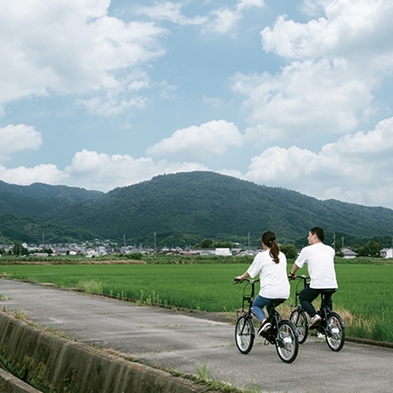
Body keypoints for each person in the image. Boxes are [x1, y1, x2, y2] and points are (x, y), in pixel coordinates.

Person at [235, 231, 290, 336]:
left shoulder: (261, 256)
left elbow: (251, 272)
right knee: (270, 306)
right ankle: (276, 325)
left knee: (256, 306)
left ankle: (265, 323)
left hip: (269, 291)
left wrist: (241, 277)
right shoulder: (282, 255)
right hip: (284, 292)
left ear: (263, 243)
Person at [289, 226, 338, 328]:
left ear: (315, 236)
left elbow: (297, 264)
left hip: (318, 283)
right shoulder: (330, 250)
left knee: (303, 298)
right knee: (326, 303)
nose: (308, 238)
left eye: (309, 235)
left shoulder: (307, 250)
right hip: (332, 283)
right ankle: (327, 325)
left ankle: (314, 316)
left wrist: (292, 274)